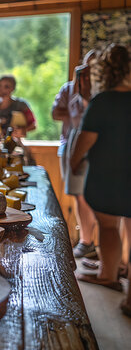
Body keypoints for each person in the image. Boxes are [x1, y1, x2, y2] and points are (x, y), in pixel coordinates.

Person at [70, 45, 131, 311]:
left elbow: (82, 147)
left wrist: (76, 163)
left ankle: (109, 275)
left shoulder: (102, 102)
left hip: (107, 180)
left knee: (108, 227)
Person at [52, 51, 99, 259]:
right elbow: (55, 113)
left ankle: (88, 241)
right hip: (72, 142)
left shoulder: (102, 91)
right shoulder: (69, 88)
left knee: (90, 195)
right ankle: (86, 240)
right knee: (78, 195)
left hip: (95, 146)